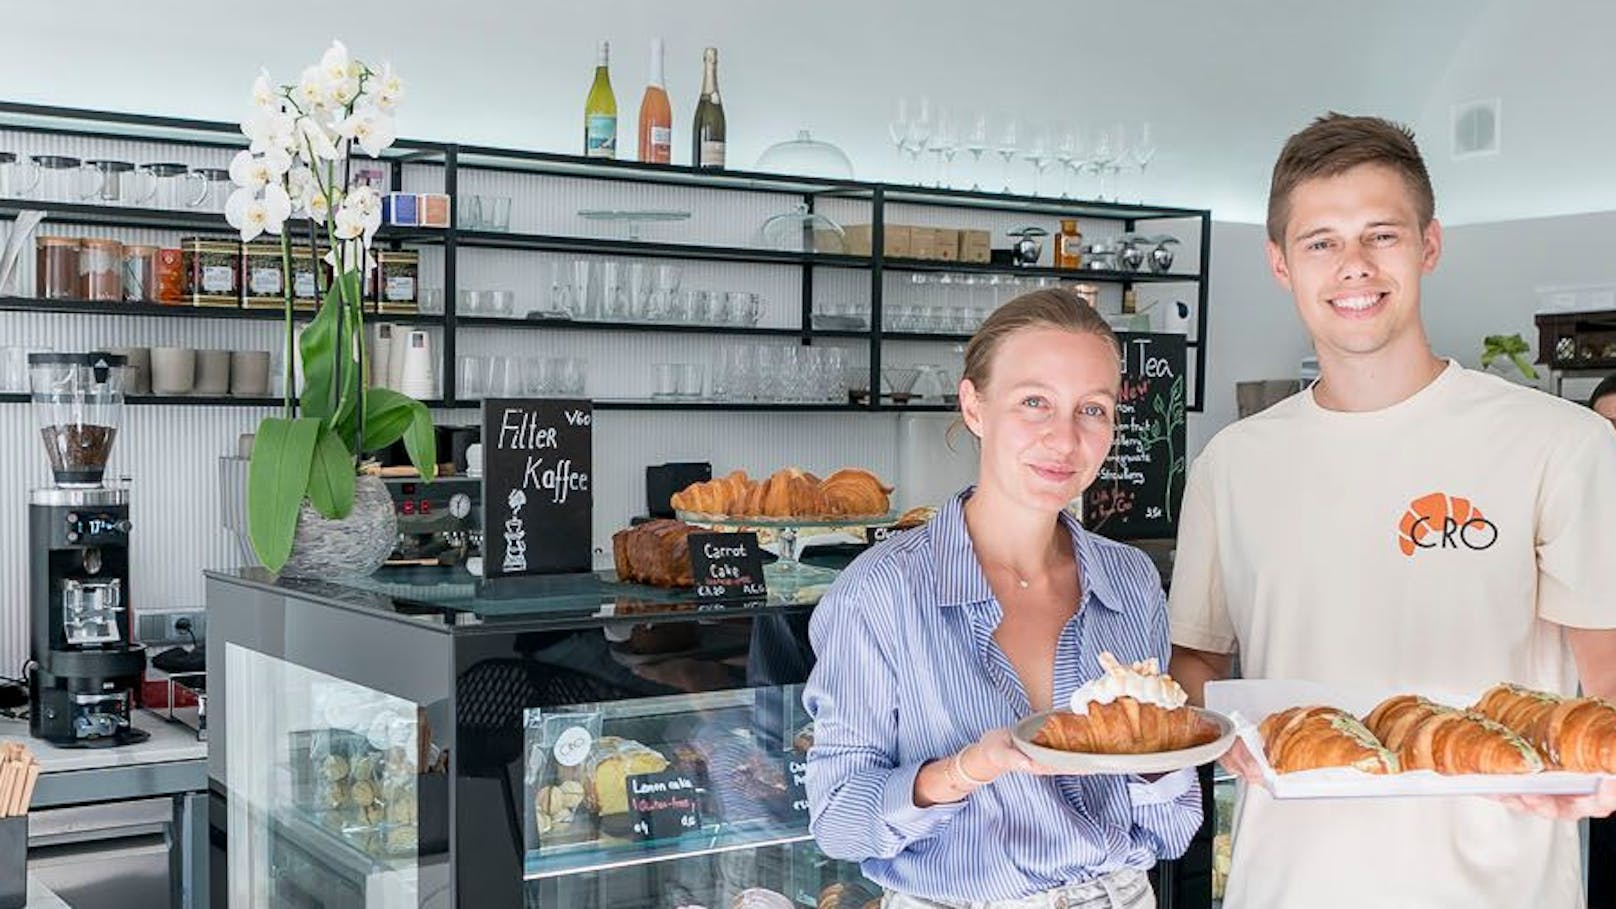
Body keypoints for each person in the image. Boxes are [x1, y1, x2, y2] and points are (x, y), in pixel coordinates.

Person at [1168, 113, 1616, 909]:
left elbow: (1608, 673)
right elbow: (1196, 667)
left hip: (1501, 890)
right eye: (1321, 242)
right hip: (1285, 886)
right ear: (1280, 263)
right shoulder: (1230, 464)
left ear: (1428, 245)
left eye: (1382, 235)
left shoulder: (1562, 444)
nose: (1354, 267)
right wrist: (1212, 729)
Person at [804, 289, 1203, 909]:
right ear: (975, 406)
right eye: (1034, 402)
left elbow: (1172, 828)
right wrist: (967, 769)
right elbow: (839, 821)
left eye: (1092, 410)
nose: (1065, 439)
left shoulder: (1130, 582)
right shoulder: (881, 593)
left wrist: (1152, 758)